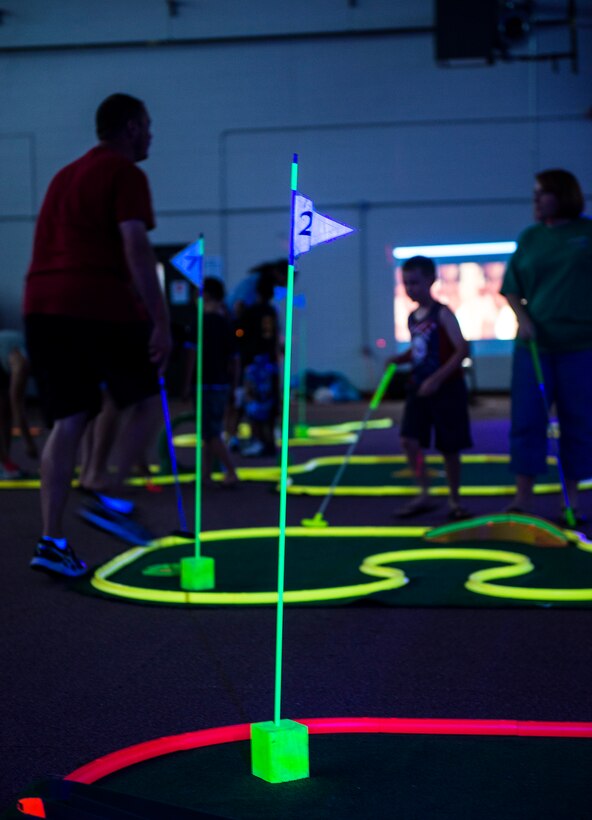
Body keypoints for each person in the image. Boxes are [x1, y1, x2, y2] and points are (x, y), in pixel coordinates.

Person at [23, 92, 172, 577]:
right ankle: (107, 492)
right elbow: (135, 245)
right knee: (150, 398)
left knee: (69, 417)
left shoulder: (65, 176)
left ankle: (51, 540)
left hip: (42, 304)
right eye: (147, 125)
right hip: (94, 300)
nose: (151, 133)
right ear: (129, 127)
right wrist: (160, 320)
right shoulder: (126, 173)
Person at [500, 169, 592, 524]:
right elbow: (512, 286)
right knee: (526, 421)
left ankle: (572, 500)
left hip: (581, 347)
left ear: (563, 195)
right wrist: (522, 318)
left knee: (578, 423)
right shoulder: (531, 238)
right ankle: (523, 498)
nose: (536, 200)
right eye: (535, 194)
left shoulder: (586, 233)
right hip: (534, 348)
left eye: (543, 194)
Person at [389, 255, 472, 520]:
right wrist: (400, 359)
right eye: (406, 283)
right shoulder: (413, 317)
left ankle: (455, 500)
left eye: (415, 282)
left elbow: (461, 349)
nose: (410, 288)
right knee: (408, 439)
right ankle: (424, 491)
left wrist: (437, 378)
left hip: (446, 389)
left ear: (431, 280)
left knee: (449, 447)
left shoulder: (443, 313)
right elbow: (419, 349)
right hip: (419, 388)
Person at [182, 276, 239, 487]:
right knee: (210, 430)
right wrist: (234, 385)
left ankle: (231, 470)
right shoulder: (225, 321)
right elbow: (235, 358)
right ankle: (206, 473)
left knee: (210, 431)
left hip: (204, 382)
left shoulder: (200, 321)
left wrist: (186, 384)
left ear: (206, 294)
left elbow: (191, 355)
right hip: (221, 383)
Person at [237, 272, 280, 457]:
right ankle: (269, 439)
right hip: (270, 362)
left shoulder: (251, 312)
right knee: (269, 402)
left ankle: (258, 440)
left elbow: (240, 333)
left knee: (254, 402)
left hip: (255, 363)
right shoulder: (272, 311)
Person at [0, 329, 37, 478]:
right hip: (6, 354)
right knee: (6, 409)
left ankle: (5, 464)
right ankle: (4, 464)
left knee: (5, 414)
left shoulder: (27, 357)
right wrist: (29, 443)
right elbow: (17, 406)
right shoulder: (22, 364)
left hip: (6, 352)